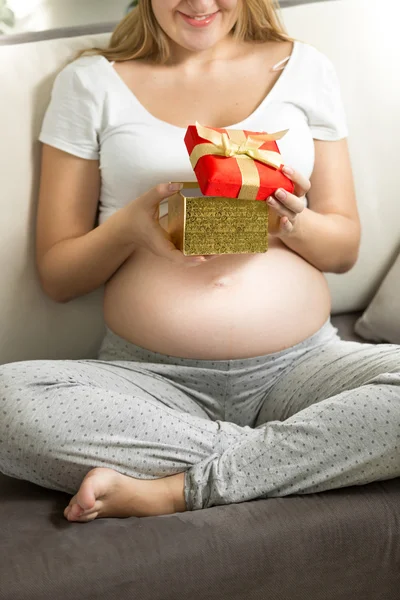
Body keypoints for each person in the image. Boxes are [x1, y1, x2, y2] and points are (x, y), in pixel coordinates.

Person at [1, 0, 399, 524]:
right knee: (8, 401)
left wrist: (290, 220)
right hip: (151, 384)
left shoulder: (304, 69)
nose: (199, 3)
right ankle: (310, 451)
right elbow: (58, 275)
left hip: (304, 369)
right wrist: (132, 228)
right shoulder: (90, 83)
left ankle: (177, 490)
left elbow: (344, 250)